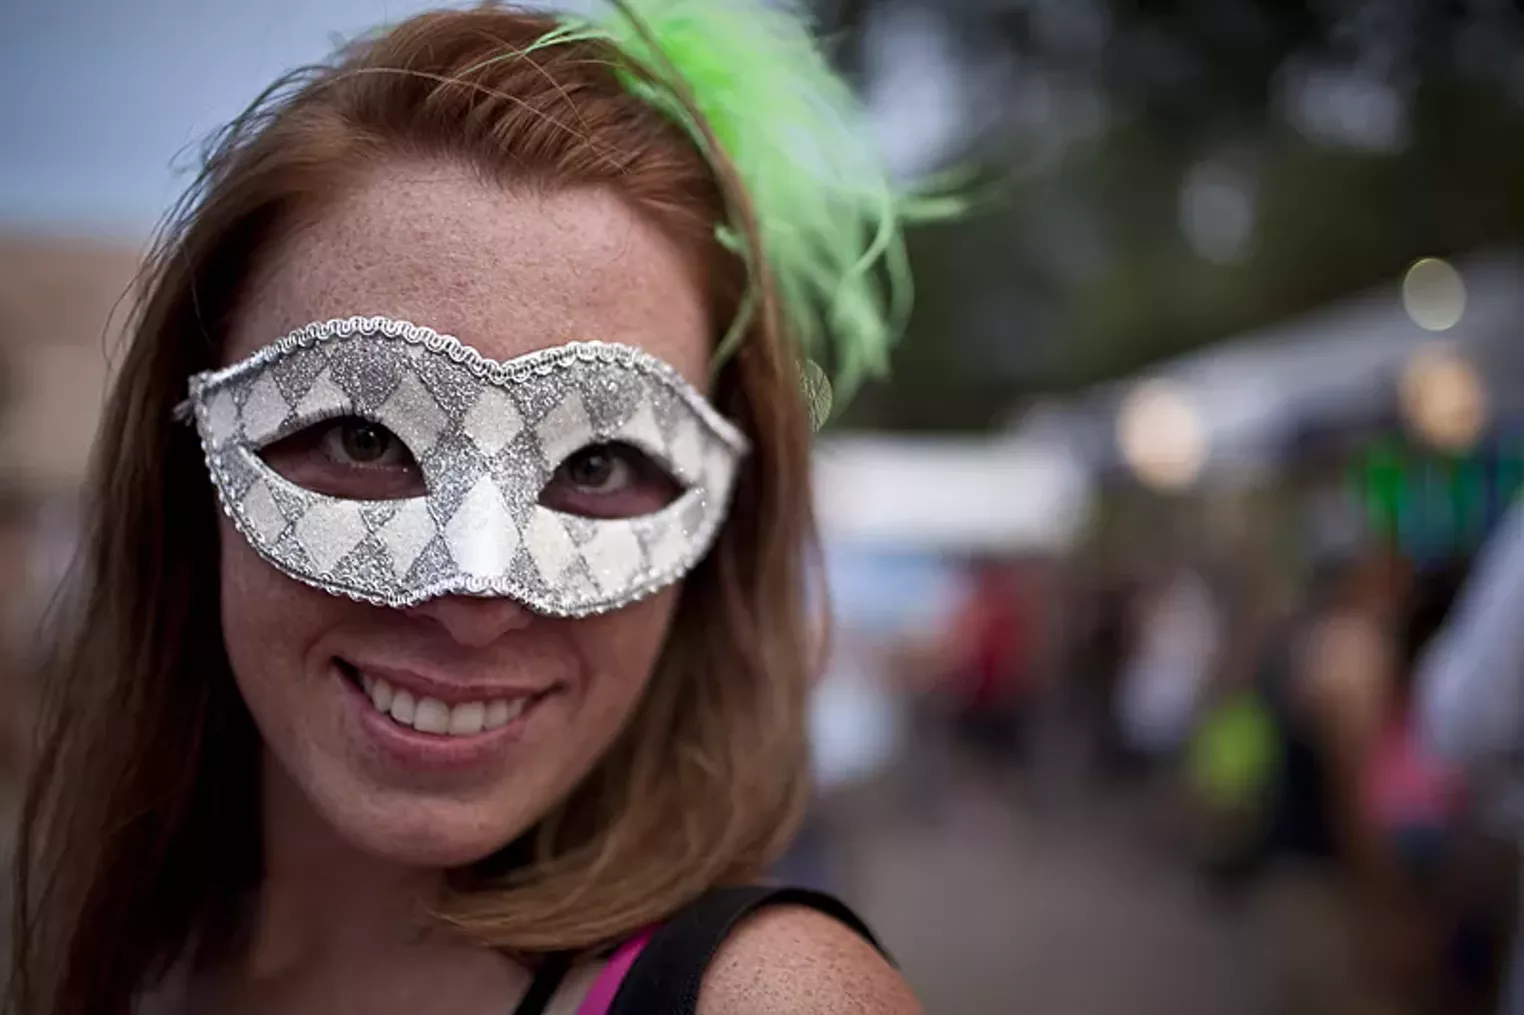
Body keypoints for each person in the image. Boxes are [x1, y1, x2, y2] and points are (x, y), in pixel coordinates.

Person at [9, 3, 929, 1013]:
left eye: (597, 463)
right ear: (184, 461)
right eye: (363, 438)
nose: (475, 589)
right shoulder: (103, 958)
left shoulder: (772, 997)